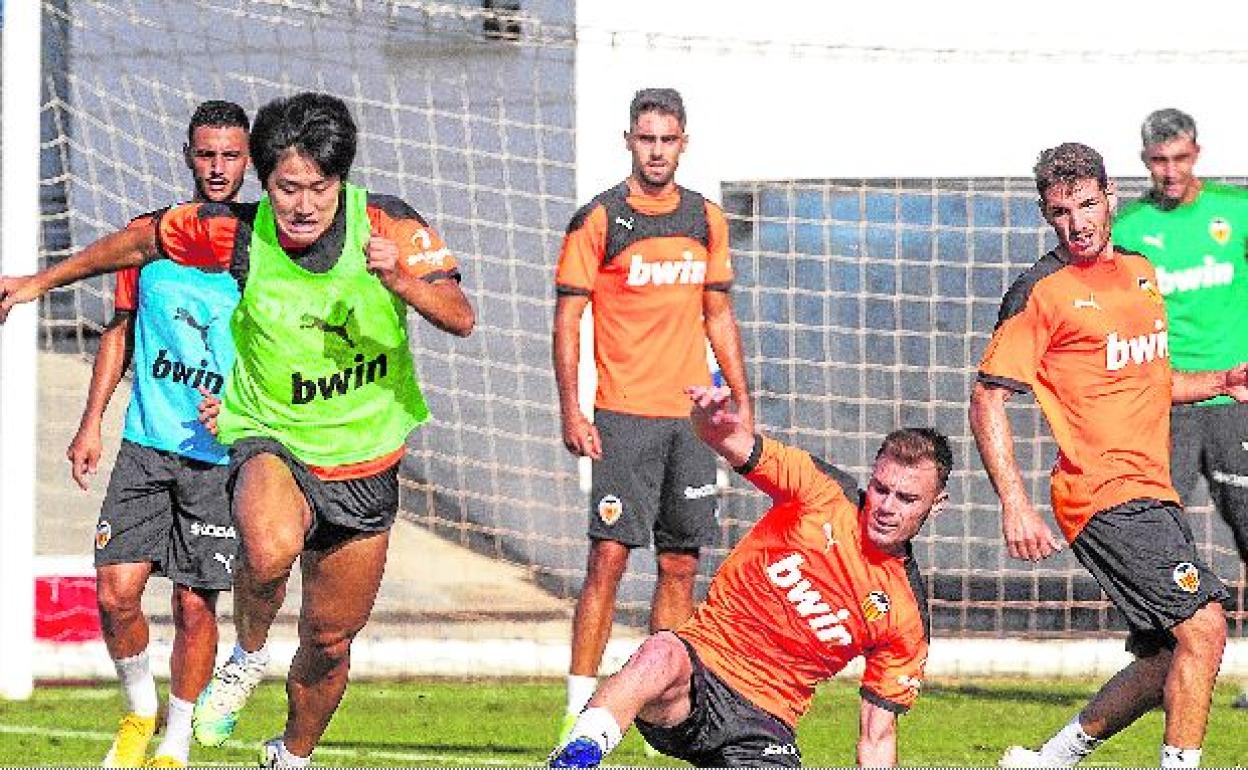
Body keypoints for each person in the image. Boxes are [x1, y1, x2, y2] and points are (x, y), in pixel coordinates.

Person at [0, 91, 475, 768]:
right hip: (269, 433)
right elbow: (139, 240)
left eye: (319, 187)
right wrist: (37, 282)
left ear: (340, 180)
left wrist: (403, 281)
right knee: (268, 548)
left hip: (365, 457)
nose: (303, 205)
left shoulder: (388, 225)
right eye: (287, 188)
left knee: (329, 640)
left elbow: (459, 315)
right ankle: (246, 654)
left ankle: (292, 753)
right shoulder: (235, 233)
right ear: (265, 182)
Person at [969, 142, 1248, 768]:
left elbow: (1149, 379)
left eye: (1088, 205)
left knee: (1161, 660)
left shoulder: (1140, 271)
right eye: (1062, 212)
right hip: (1100, 492)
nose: (1078, 223)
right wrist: (1014, 503)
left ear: (1109, 199)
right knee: (1204, 629)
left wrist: (1222, 381)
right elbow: (987, 398)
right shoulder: (1040, 290)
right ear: (1047, 215)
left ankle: (1049, 760)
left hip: (1153, 490)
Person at [548, 385, 947, 768]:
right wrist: (706, 418)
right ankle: (576, 755)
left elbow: (877, 738)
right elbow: (724, 439)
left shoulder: (906, 617)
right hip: (694, 678)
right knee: (660, 651)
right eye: (881, 489)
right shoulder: (820, 491)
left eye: (907, 498)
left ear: (936, 504)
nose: (886, 507)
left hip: (765, 724)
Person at [552, 86, 753, 742]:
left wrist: (740, 406)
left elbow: (718, 314)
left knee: (681, 564)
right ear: (630, 141)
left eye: (668, 140)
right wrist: (572, 409)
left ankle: (663, 708)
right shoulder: (602, 219)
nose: (657, 151)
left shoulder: (705, 219)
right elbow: (569, 318)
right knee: (608, 559)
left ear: (683, 143)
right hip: (624, 418)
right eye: (647, 139)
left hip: (690, 421)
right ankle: (579, 711)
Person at [62, 99, 249, 769]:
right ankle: (140, 707)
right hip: (145, 445)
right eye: (207, 154)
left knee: (196, 607)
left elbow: (283, 347)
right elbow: (118, 333)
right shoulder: (150, 238)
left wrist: (241, 403)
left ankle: (177, 737)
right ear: (187, 155)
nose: (219, 166)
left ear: (248, 158)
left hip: (219, 458)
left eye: (231, 154)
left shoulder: (260, 249)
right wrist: (91, 424)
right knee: (114, 592)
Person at [1113, 108, 1248, 709]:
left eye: (1181, 158)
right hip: (1163, 402)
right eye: (1159, 161)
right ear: (1145, 162)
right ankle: (1154, 663)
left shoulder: (1234, 212)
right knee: (1155, 534)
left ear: (1198, 153)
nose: (1171, 172)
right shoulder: (1131, 227)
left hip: (1235, 400)